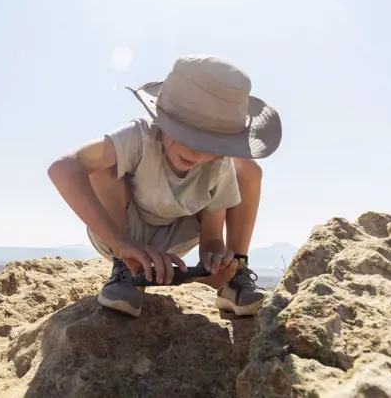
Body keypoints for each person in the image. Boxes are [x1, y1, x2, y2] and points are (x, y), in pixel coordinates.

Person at [48, 54, 282, 318]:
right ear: (163, 119)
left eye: (212, 145)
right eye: (189, 134)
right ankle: (124, 271)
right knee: (102, 164)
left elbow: (212, 239)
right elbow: (62, 168)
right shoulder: (139, 137)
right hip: (120, 231)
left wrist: (216, 261)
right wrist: (120, 243)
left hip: (176, 238)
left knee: (248, 169)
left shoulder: (217, 163)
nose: (198, 153)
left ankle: (236, 277)